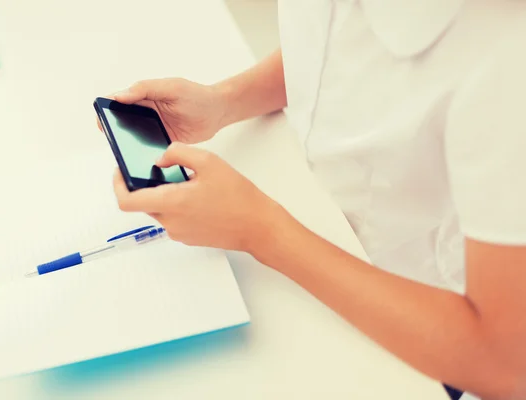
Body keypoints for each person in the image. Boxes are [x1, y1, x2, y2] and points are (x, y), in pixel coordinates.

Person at [99, 1, 526, 399]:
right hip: (310, 228)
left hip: (421, 332)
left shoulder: (508, 60)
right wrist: (224, 102)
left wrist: (261, 230)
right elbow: (340, 42)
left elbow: (503, 363)